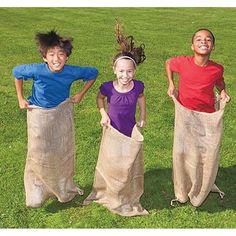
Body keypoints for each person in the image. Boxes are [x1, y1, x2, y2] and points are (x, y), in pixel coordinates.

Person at [13, 30, 98, 207]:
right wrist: (20, 98)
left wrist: (81, 94)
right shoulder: (36, 70)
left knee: (61, 151)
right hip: (39, 115)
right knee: (39, 152)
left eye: (61, 54)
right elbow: (17, 72)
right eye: (51, 54)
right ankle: (37, 190)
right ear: (44, 57)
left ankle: (62, 186)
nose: (56, 59)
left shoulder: (72, 71)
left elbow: (93, 73)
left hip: (60, 114)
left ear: (67, 57)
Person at [83, 21, 148, 216]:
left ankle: (125, 186)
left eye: (129, 71)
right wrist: (103, 114)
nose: (125, 75)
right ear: (114, 70)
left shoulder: (138, 86)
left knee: (127, 159)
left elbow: (141, 99)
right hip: (112, 129)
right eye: (121, 71)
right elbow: (99, 99)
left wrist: (142, 117)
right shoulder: (107, 87)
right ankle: (107, 188)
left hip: (128, 129)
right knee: (111, 159)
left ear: (134, 72)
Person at [165, 28, 230, 207]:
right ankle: (183, 187)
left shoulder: (216, 69)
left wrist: (222, 90)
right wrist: (171, 83)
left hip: (206, 116)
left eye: (208, 39)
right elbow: (169, 63)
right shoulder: (184, 62)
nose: (204, 41)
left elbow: (219, 81)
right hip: (185, 115)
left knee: (204, 152)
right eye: (199, 39)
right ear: (192, 46)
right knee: (182, 151)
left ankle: (201, 185)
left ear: (213, 46)